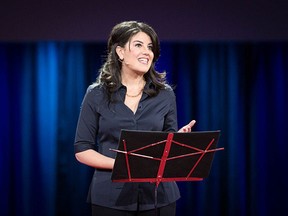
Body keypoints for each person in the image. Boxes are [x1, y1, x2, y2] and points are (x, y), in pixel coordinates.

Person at [74, 21, 196, 216]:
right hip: (110, 198)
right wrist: (123, 164)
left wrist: (178, 141)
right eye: (138, 45)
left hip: (159, 197)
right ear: (120, 52)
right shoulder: (96, 94)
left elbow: (168, 143)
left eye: (150, 47)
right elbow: (82, 150)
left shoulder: (164, 94)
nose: (147, 52)